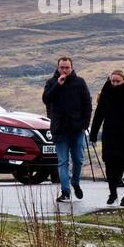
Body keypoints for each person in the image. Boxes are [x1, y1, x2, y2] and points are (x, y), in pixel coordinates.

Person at [42, 55, 93, 203]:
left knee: (78, 160)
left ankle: (75, 182)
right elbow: (46, 99)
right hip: (60, 130)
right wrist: (57, 85)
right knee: (62, 161)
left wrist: (84, 124)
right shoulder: (51, 82)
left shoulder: (80, 82)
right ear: (58, 68)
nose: (64, 70)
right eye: (62, 67)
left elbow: (87, 104)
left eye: (67, 67)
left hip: (77, 129)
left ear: (72, 67)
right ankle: (65, 191)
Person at [89, 70, 124, 207]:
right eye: (113, 81)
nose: (115, 84)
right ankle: (113, 193)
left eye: (118, 81)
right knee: (110, 165)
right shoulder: (106, 91)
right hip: (110, 134)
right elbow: (99, 113)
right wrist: (93, 133)